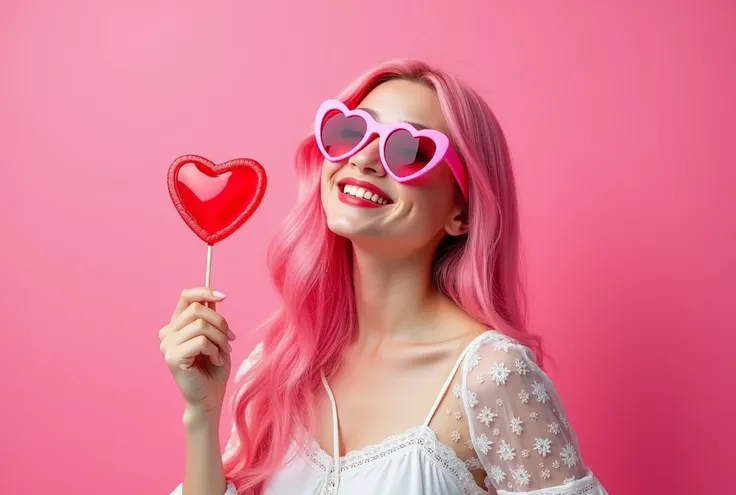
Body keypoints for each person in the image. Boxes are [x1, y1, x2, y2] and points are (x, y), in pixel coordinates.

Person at [160, 59, 608, 495]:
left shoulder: (491, 377)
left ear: (462, 212)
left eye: (409, 150)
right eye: (350, 131)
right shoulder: (279, 366)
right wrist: (201, 413)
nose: (365, 159)